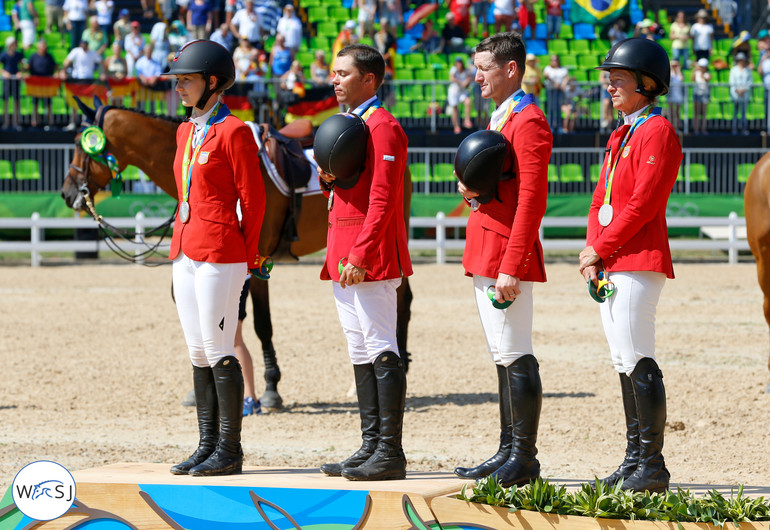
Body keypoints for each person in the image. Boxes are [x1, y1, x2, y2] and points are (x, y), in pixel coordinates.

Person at [579, 37, 680, 495]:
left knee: (638, 357)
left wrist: (600, 248)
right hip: (613, 257)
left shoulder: (658, 131)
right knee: (623, 360)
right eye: (609, 79)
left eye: (618, 79)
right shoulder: (621, 133)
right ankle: (634, 458)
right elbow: (602, 198)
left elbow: (641, 204)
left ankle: (653, 465)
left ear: (646, 83)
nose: (610, 87)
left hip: (638, 258)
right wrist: (591, 250)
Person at [453, 32, 551, 488]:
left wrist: (513, 263)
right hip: (486, 243)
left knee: (516, 352)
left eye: (484, 68)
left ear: (511, 69)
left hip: (506, 249)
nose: (476, 77)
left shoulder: (527, 119)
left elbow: (532, 197)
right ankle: (506, 449)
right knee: (501, 354)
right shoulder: (503, 114)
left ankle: (524, 458)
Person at [165, 39, 267, 477]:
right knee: (196, 352)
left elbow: (255, 198)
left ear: (212, 82)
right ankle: (206, 444)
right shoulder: (184, 131)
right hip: (185, 247)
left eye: (186, 81)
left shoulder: (236, 131)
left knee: (218, 346)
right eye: (178, 82)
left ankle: (230, 449)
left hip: (222, 253)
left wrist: (249, 256)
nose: (179, 89)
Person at [317, 43, 412, 482]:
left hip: (367, 254)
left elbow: (383, 198)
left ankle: (390, 451)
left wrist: (361, 252)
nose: (334, 80)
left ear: (369, 79)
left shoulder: (384, 127)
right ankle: (370, 444)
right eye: (334, 73)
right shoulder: (352, 124)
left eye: (342, 73)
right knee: (359, 349)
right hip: (343, 248)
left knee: (380, 345)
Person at [62, 39, 102, 129]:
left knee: (87, 102)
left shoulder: (92, 53)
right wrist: (63, 72)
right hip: (77, 80)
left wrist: (102, 73)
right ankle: (73, 122)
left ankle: (86, 122)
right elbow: (67, 62)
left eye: (85, 45)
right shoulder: (76, 51)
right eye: (82, 44)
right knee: (74, 101)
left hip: (88, 81)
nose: (83, 46)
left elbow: (101, 62)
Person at [27, 38, 58, 129]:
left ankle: (50, 122)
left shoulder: (49, 56)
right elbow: (28, 67)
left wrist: (58, 73)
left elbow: (55, 67)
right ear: (38, 47)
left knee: (48, 103)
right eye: (43, 46)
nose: (44, 48)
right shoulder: (33, 56)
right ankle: (34, 122)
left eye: (45, 46)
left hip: (47, 84)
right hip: (36, 84)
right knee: (35, 103)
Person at [0, 36, 25, 130]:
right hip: (7, 81)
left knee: (16, 101)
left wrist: (20, 72)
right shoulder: (3, 55)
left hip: (16, 81)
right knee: (6, 101)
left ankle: (15, 122)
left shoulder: (18, 55)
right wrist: (4, 73)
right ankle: (6, 122)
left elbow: (23, 66)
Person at [448, 56, 474, 133]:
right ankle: (456, 126)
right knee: (455, 108)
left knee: (468, 102)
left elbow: (469, 78)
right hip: (454, 91)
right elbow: (452, 78)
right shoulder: (454, 69)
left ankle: (467, 120)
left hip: (462, 91)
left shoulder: (466, 71)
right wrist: (461, 82)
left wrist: (465, 82)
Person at [543, 53, 567, 133]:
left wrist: (563, 84)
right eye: (552, 60)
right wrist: (555, 83)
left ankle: (559, 126)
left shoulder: (562, 69)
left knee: (558, 108)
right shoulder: (548, 68)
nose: (554, 61)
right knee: (551, 109)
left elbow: (566, 77)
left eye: (555, 60)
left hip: (559, 91)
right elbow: (546, 76)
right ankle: (550, 126)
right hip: (550, 90)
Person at [729, 52, 752, 135]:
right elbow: (732, 81)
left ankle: (743, 129)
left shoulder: (748, 70)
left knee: (743, 113)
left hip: (744, 95)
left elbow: (749, 82)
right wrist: (737, 90)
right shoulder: (733, 69)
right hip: (735, 95)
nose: (741, 61)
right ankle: (734, 129)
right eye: (740, 60)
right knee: (735, 113)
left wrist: (743, 90)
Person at [691, 57, 710, 135]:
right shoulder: (696, 72)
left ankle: (703, 129)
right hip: (697, 93)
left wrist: (700, 70)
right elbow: (692, 79)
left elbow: (706, 79)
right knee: (696, 112)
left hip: (704, 94)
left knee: (703, 113)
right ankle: (696, 129)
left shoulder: (707, 74)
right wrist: (695, 69)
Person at [666, 59, 683, 131]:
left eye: (676, 65)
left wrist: (678, 70)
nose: (674, 67)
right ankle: (670, 126)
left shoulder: (679, 73)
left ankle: (676, 126)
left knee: (677, 112)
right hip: (671, 94)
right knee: (671, 111)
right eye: (673, 65)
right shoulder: (670, 73)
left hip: (678, 94)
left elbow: (681, 79)